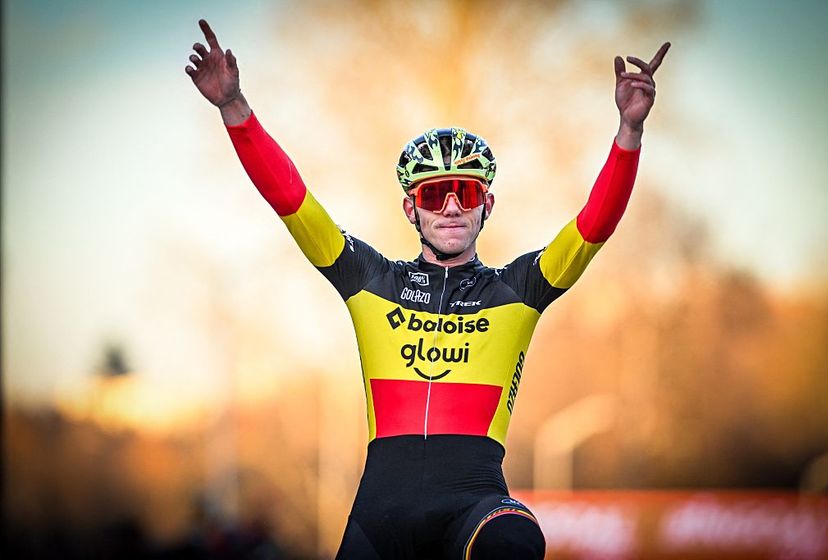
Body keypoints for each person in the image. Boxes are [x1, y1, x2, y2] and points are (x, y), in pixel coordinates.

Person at [186, 19, 669, 560]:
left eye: (465, 190)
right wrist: (235, 108)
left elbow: (592, 228)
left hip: (474, 505)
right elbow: (294, 203)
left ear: (487, 205)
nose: (452, 206)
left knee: (515, 540)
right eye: (435, 193)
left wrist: (630, 132)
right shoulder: (371, 280)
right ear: (410, 208)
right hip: (380, 516)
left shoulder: (518, 288)